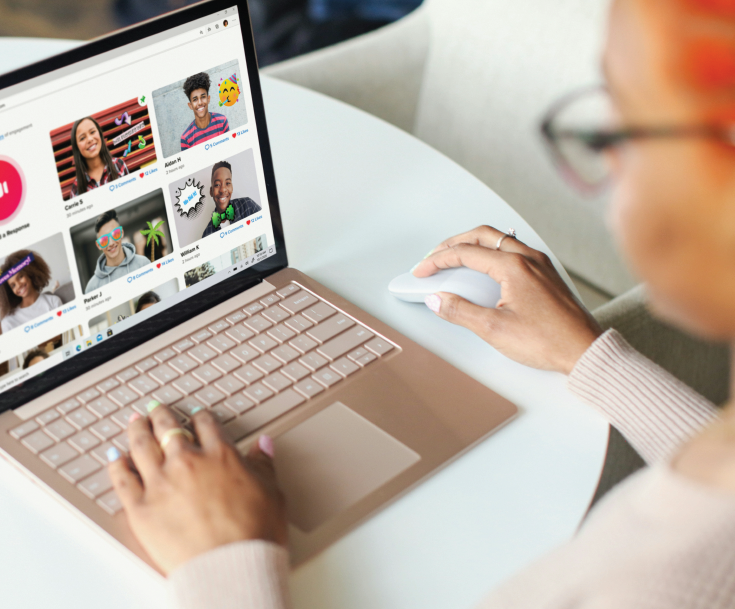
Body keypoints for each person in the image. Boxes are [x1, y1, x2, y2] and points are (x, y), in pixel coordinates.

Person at [104, 0, 735, 606]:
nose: (609, 175)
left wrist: (226, 561)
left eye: (614, 126)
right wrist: (594, 358)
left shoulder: (657, 588)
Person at [0, 250, 63, 337]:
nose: (18, 285)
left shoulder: (53, 302)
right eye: (13, 285)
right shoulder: (8, 322)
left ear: (30, 272)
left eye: (20, 277)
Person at [84, 209, 151, 293]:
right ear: (99, 245)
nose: (111, 243)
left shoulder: (143, 264)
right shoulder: (92, 288)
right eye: (104, 240)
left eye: (115, 234)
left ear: (122, 233)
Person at [66, 116, 129, 199]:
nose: (89, 139)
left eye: (92, 132)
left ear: (99, 134)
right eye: (82, 138)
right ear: (77, 147)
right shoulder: (76, 189)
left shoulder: (119, 166)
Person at [201, 160, 261, 238]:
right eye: (217, 184)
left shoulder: (248, 206)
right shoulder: (207, 235)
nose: (222, 189)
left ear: (232, 188)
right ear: (211, 191)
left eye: (228, 183)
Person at [179, 72, 229, 151]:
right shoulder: (186, 138)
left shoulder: (222, 121)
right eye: (195, 99)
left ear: (208, 99)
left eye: (203, 97)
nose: (200, 103)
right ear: (190, 105)